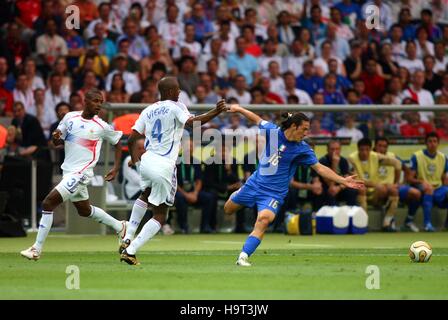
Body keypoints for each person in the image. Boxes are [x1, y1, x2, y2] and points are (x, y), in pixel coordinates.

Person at [223, 106, 364, 267]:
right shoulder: (273, 132)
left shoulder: (303, 149)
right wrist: (238, 108)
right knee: (228, 209)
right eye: (304, 129)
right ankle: (239, 193)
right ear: (293, 126)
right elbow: (256, 119)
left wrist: (342, 180)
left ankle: (243, 256)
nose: (306, 133)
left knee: (264, 219)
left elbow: (319, 168)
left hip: (273, 194)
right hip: (254, 184)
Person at [120, 77, 227, 265]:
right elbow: (193, 123)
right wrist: (215, 111)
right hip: (164, 165)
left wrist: (135, 160)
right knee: (160, 215)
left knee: (145, 195)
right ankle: (131, 250)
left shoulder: (148, 110)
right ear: (170, 91)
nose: (180, 92)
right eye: (177, 89)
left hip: (146, 161)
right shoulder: (177, 106)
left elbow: (130, 140)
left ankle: (127, 237)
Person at [20, 88, 126, 261]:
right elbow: (58, 140)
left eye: (101, 102)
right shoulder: (70, 118)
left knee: (48, 203)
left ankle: (36, 249)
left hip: (82, 174)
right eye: (96, 101)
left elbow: (118, 143)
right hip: (68, 171)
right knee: (84, 210)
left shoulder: (101, 126)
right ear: (85, 101)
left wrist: (116, 168)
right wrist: (56, 137)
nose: (99, 105)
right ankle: (120, 226)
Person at [348, 138, 402, 232]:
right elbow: (355, 180)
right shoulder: (352, 159)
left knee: (393, 190)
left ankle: (387, 223)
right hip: (360, 190)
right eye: (362, 150)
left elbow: (397, 163)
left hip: (375, 193)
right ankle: (363, 224)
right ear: (358, 149)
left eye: (367, 150)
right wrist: (374, 184)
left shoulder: (376, 156)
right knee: (362, 189)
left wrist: (396, 183)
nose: (364, 152)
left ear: (370, 149)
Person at [373, 137, 422, 232]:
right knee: (386, 190)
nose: (382, 148)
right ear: (375, 146)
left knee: (416, 193)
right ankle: (389, 218)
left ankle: (409, 221)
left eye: (385, 146)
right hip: (377, 187)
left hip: (393, 186)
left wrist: (400, 183)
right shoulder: (371, 156)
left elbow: (407, 170)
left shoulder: (392, 156)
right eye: (379, 146)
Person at [407, 132, 448, 232]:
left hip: (438, 188)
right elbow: (409, 178)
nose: (432, 144)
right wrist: (421, 181)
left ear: (438, 143)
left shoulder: (443, 157)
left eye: (435, 141)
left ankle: (447, 224)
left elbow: (444, 178)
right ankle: (427, 224)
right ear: (425, 143)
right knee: (428, 189)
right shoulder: (417, 156)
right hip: (421, 186)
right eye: (430, 141)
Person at [311, 140, 358, 208]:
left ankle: (350, 213)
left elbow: (347, 178)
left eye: (337, 149)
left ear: (340, 149)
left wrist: (339, 188)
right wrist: (334, 164)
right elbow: (330, 183)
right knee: (329, 192)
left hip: (339, 187)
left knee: (351, 191)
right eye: (332, 149)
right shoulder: (322, 161)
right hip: (327, 187)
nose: (335, 151)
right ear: (327, 150)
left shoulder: (343, 161)